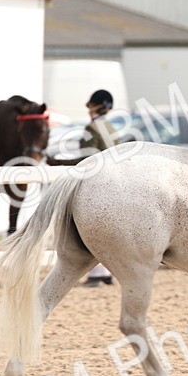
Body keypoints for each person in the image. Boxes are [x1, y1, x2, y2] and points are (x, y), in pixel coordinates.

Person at [80, 89, 116, 287]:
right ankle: (107, 273)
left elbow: (85, 159)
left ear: (94, 107)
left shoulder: (92, 128)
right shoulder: (111, 127)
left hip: (94, 183)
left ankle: (95, 275)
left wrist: (55, 161)